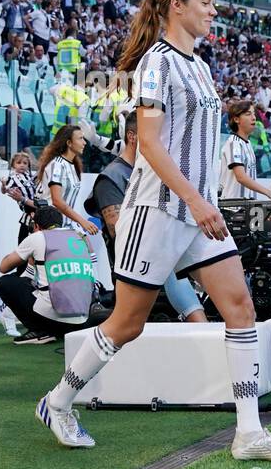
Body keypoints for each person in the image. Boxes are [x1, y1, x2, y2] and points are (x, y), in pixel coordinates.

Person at [35, 0, 271, 461]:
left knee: (240, 308)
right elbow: (151, 148)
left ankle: (248, 434)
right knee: (126, 324)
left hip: (198, 212)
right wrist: (199, 201)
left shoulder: (199, 66)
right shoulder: (154, 65)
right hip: (156, 211)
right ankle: (57, 401)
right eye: (206, 1)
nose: (214, 10)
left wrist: (204, 202)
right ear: (176, 5)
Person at [87, 110, 207, 330]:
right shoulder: (111, 177)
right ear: (133, 137)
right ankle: (202, 327)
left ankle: (209, 326)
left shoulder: (151, 172)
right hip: (136, 264)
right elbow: (118, 231)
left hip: (164, 251)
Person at [0, 206, 105, 341]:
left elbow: (3, 267)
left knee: (6, 282)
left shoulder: (37, 238)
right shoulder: (80, 235)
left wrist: (29, 253)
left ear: (36, 226)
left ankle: (39, 331)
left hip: (54, 321)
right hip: (84, 318)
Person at [35, 124, 98, 237]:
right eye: (80, 138)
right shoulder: (57, 165)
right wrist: (82, 221)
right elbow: (57, 201)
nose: (84, 142)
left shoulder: (73, 165)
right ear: (68, 143)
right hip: (52, 227)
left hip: (67, 226)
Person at [219, 100, 271, 201]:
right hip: (233, 207)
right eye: (248, 114)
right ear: (236, 119)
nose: (254, 117)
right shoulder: (234, 143)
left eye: (254, 114)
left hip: (247, 206)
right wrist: (268, 192)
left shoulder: (247, 143)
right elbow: (241, 177)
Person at [2, 150, 39, 245]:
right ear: (13, 165)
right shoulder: (12, 178)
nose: (22, 165)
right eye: (19, 163)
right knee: (25, 234)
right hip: (26, 205)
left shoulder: (29, 175)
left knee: (29, 231)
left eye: (25, 163)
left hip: (33, 203)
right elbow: (4, 190)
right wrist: (3, 184)